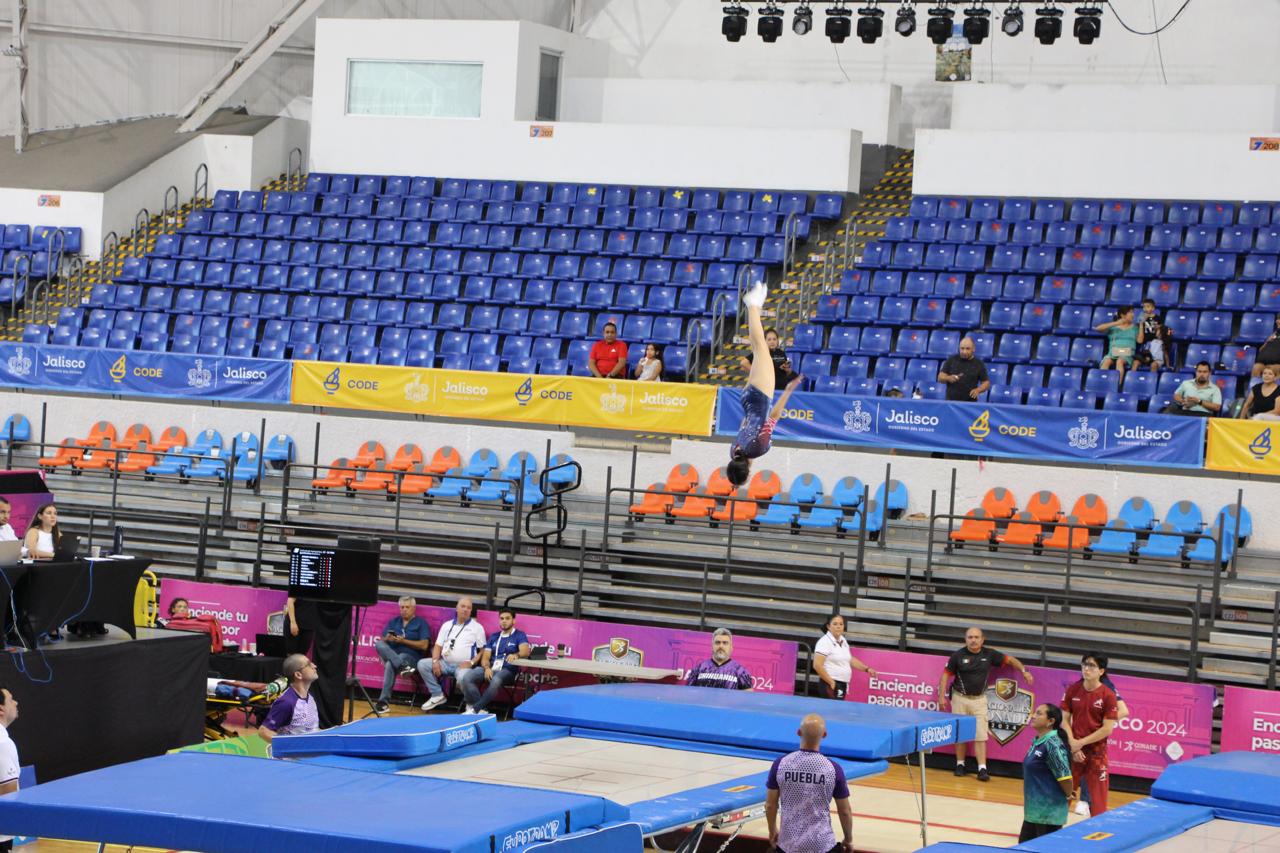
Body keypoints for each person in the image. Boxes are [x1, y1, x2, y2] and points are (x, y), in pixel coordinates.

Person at [726, 282, 804, 487]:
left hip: (760, 398)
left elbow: (773, 417)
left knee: (761, 347)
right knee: (759, 348)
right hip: (748, 401)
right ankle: (755, 307)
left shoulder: (758, 448)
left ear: (748, 473)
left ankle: (753, 305)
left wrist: (788, 391)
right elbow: (745, 424)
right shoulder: (734, 451)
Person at [938, 626, 1034, 782]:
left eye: (976, 637)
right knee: (960, 734)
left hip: (980, 700)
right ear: (965, 639)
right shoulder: (957, 656)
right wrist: (941, 696)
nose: (973, 640)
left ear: (982, 639)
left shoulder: (989, 654)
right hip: (959, 698)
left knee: (981, 736)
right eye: (970, 637)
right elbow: (945, 676)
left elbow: (1010, 660)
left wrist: (1024, 670)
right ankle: (960, 765)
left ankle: (982, 769)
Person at [765, 713, 854, 853]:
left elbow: (770, 805)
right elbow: (844, 811)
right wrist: (848, 839)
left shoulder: (780, 765)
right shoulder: (833, 769)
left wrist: (772, 830)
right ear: (824, 735)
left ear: (799, 732)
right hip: (822, 845)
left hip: (789, 844)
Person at [1062, 652, 1119, 817]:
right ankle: (1052, 831)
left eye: (1092, 666)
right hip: (1073, 751)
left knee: (1098, 803)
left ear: (1101, 671)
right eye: (1084, 664)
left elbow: (1107, 729)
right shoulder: (1073, 690)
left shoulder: (1108, 695)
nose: (1086, 668)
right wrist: (1073, 744)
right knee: (1063, 794)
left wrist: (1081, 743)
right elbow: (1064, 720)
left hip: (1096, 754)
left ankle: (1096, 836)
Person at [417, 596, 486, 711]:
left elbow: (483, 650)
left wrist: (472, 662)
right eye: (463, 606)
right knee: (422, 664)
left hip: (463, 666)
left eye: (469, 608)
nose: (465, 609)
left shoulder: (477, 627)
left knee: (464, 677)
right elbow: (438, 646)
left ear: (471, 611)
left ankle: (470, 704)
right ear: (456, 608)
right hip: (444, 663)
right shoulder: (447, 625)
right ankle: (437, 694)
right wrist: (435, 661)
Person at [1019, 703, 1074, 842]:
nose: (1033, 716)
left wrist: (1068, 795)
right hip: (1033, 812)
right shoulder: (1037, 742)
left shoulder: (1053, 744)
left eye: (1039, 713)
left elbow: (1065, 777)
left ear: (1050, 721)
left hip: (1049, 814)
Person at [460, 608, 530, 715]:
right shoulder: (494, 636)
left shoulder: (519, 635)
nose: (504, 621)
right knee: (467, 677)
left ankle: (475, 709)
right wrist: (487, 668)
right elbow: (485, 657)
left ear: (513, 620)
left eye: (507, 618)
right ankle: (482, 710)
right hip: (491, 668)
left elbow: (525, 651)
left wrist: (516, 654)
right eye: (502, 618)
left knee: (496, 679)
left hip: (508, 671)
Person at [373, 596, 432, 715]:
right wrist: (387, 638)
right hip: (396, 657)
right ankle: (401, 665)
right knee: (379, 644)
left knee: (393, 662)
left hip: (412, 659)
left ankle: (383, 703)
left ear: (413, 608)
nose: (404, 609)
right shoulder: (394, 621)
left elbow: (424, 646)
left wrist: (403, 641)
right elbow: (383, 640)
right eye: (402, 607)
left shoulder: (421, 623)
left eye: (407, 607)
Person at [259, 653, 319, 748]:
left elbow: (310, 729)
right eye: (309, 664)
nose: (314, 666)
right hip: (290, 760)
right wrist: (292, 746)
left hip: (308, 756)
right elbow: (264, 731)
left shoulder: (310, 698)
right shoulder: (286, 702)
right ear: (298, 675)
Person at [814, 614, 876, 701]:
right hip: (830, 683)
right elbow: (817, 665)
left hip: (842, 683)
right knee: (831, 712)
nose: (838, 627)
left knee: (837, 712)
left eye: (841, 624)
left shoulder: (842, 640)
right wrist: (832, 683)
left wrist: (867, 669)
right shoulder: (824, 642)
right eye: (835, 624)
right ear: (828, 626)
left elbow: (849, 659)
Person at [687, 627, 754, 690]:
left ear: (731, 647)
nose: (721, 646)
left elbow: (748, 697)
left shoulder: (740, 671)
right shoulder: (699, 668)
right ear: (712, 646)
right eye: (717, 642)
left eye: (725, 643)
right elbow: (689, 693)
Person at [737, 325, 797, 391]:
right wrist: (757, 374)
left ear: (777, 341)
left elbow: (787, 371)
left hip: (781, 389)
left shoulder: (781, 353)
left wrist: (787, 369)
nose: (772, 341)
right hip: (766, 390)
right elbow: (743, 363)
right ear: (764, 341)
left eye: (774, 339)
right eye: (769, 339)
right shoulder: (761, 352)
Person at [937, 337, 990, 402]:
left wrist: (978, 390)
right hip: (951, 403)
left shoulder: (979, 364)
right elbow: (940, 377)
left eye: (967, 349)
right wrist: (948, 378)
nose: (964, 351)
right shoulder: (951, 360)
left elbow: (986, 383)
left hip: (969, 403)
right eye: (962, 348)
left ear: (973, 349)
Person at [1096, 307, 1139, 385]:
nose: (1133, 315)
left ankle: (1116, 385)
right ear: (1123, 315)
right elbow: (1098, 329)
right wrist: (1116, 323)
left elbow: (1140, 340)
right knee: (1106, 361)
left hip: (1127, 352)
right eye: (1131, 312)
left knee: (1120, 361)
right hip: (1113, 352)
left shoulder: (1135, 328)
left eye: (1133, 312)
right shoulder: (1113, 327)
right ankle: (1102, 384)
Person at [0, 684, 18, 853]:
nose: (16, 703)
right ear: (1, 710)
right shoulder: (3, 743)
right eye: (11, 700)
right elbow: (9, 791)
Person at [1136, 299, 1171, 372]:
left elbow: (1164, 329)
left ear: (1153, 308)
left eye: (1148, 306)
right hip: (1145, 342)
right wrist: (1142, 321)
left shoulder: (1158, 318)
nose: (1145, 309)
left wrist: (1158, 328)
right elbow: (1138, 328)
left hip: (1155, 341)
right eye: (1144, 307)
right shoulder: (1141, 317)